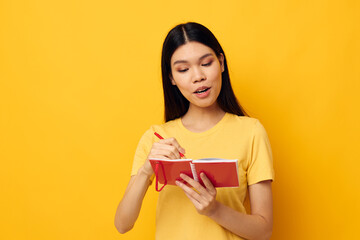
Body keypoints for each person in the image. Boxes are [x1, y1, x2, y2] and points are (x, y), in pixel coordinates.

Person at [114, 22, 274, 240]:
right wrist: (146, 170)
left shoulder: (251, 132)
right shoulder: (156, 137)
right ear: (171, 78)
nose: (198, 76)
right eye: (183, 69)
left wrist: (214, 209)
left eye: (206, 63)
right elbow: (123, 224)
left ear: (221, 62)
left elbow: (263, 232)